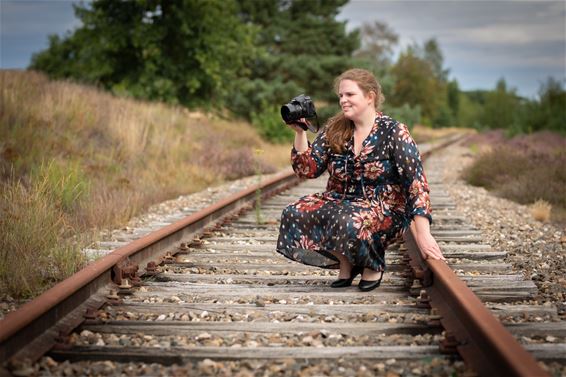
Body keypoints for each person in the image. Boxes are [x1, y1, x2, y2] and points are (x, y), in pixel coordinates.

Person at [276, 68, 445, 292]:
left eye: (349, 95)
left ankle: (372, 265)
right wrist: (300, 133)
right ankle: (347, 262)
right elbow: (308, 169)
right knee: (295, 212)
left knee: (351, 220)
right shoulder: (333, 129)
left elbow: (416, 183)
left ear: (370, 96)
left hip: (384, 206)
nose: (343, 101)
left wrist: (423, 233)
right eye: (340, 96)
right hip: (340, 200)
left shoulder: (394, 131)